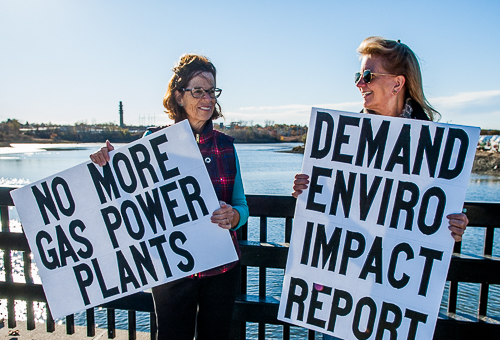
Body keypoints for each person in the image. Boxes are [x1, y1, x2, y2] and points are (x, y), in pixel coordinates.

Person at [291, 37, 468, 340]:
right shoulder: (342, 142)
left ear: (398, 84)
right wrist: (309, 190)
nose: (360, 84)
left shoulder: (435, 147)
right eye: (358, 76)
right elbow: (332, 211)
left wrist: (454, 224)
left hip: (398, 294)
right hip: (345, 288)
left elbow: (435, 213)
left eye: (368, 76)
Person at [90, 54, 249, 340]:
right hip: (172, 271)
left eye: (211, 91)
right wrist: (105, 162)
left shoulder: (226, 146)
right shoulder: (152, 142)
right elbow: (125, 192)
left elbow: (242, 206)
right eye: (198, 90)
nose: (207, 98)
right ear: (178, 96)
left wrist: (235, 217)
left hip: (221, 269)